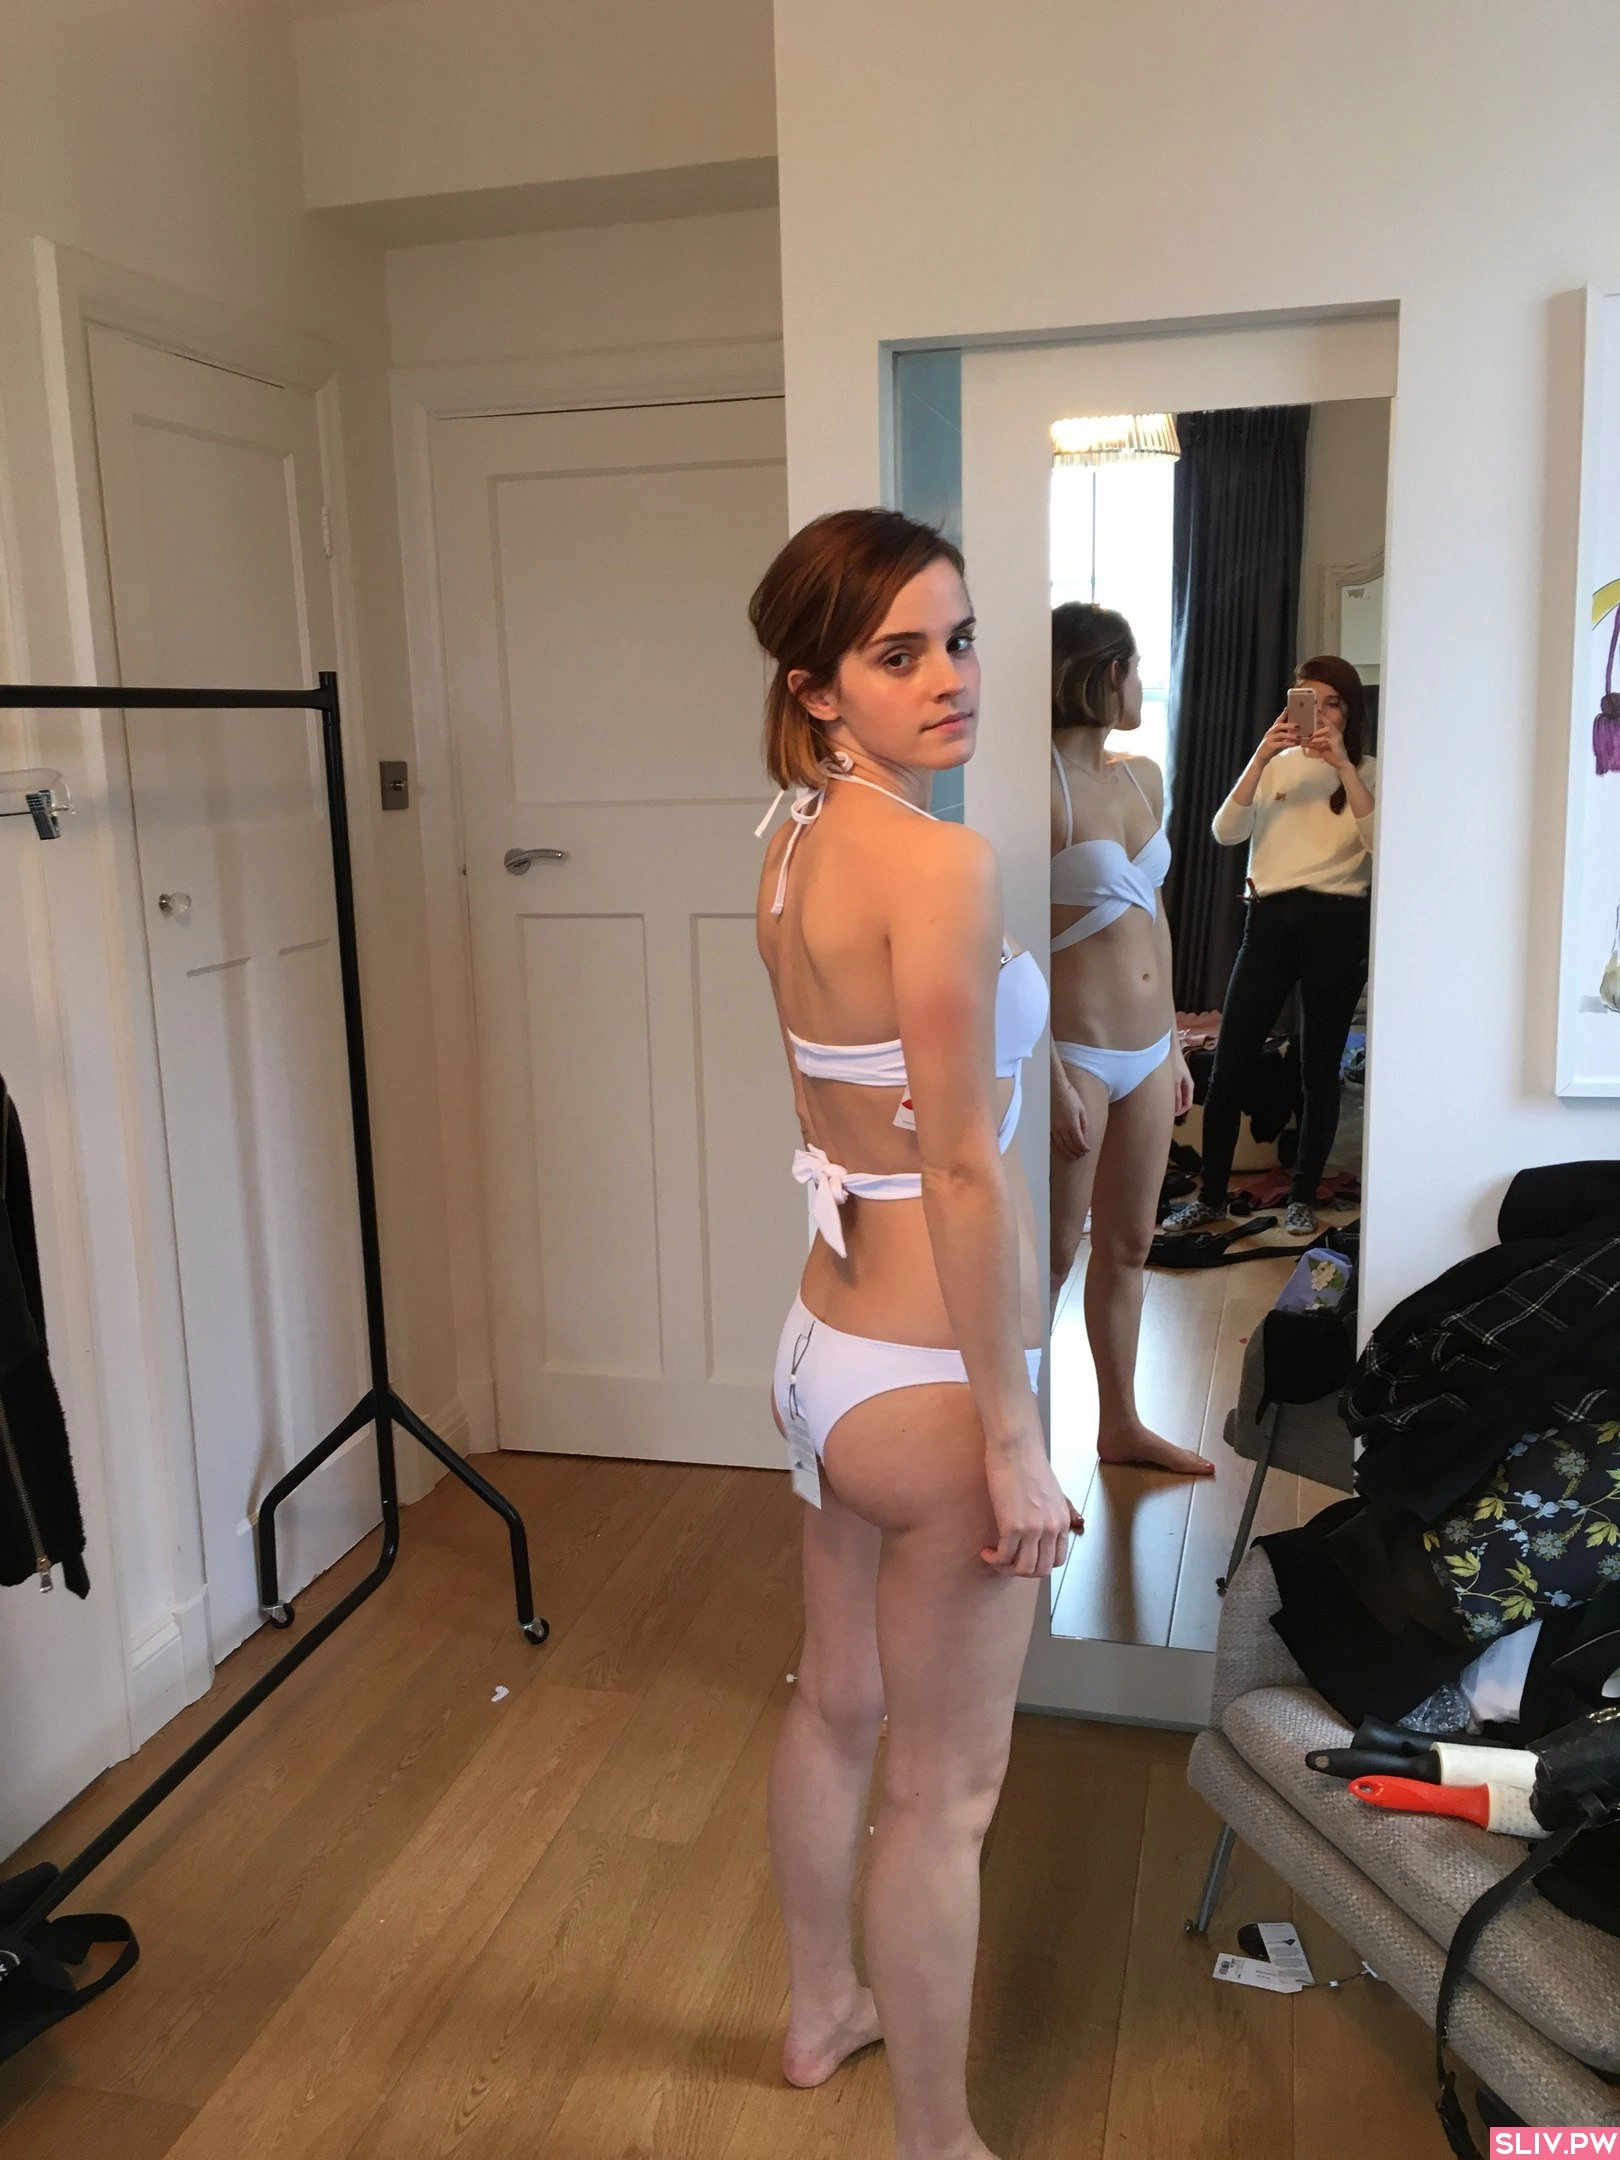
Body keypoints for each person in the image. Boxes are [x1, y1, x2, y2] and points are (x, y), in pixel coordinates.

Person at [752, 508, 1083, 2160]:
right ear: (820, 688)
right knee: (943, 1797)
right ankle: (938, 2142)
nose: (949, 677)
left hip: (824, 1356)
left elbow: (869, 1102)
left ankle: (824, 2007)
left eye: (958, 639)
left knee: (835, 1706)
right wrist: (1014, 1437)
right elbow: (958, 1165)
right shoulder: (941, 865)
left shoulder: (795, 839)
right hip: (929, 1387)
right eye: (900, 654)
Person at [1047, 604, 1209, 1480]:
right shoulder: (1038, 787)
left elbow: (1154, 916)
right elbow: (1003, 943)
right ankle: (1019, 1452)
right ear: (1107, 673)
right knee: (1051, 1257)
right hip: (1075, 1050)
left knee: (1130, 1247)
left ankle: (1121, 1426)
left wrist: (1176, 1041)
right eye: (1137, 668)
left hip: (1149, 1050)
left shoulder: (1141, 778)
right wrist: (1045, 1074)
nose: (1143, 686)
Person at [1163, 654, 1376, 1240]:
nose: (1320, 714)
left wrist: (1345, 767)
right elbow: (1224, 832)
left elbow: (1381, 842)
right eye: (1308, 701)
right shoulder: (1276, 765)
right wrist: (1260, 757)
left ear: (1350, 711)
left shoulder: (1369, 770)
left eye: (1333, 703)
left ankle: (1303, 1195)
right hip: (1270, 921)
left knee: (1318, 1068)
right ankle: (1210, 1196)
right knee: (1230, 1062)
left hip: (1339, 924)